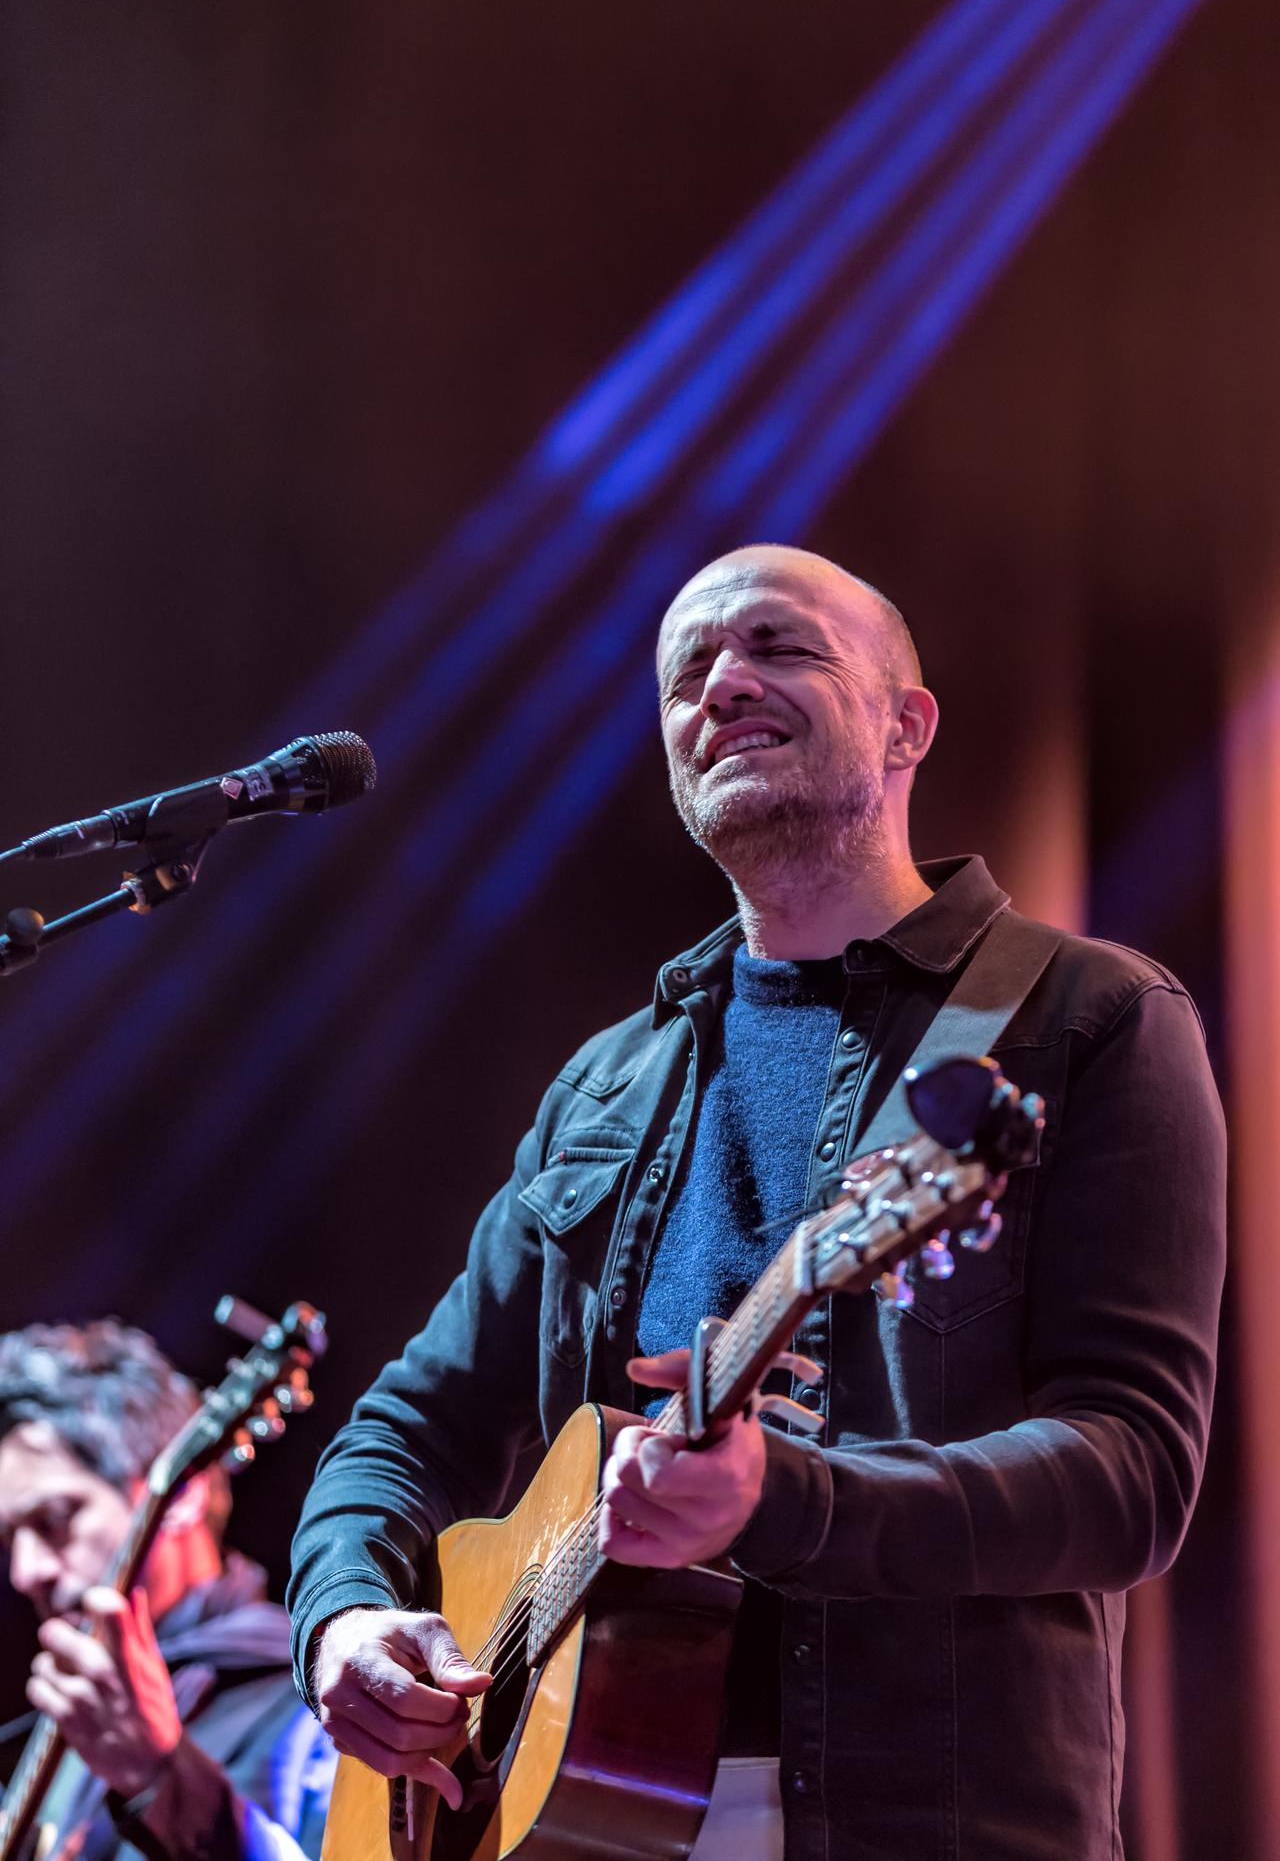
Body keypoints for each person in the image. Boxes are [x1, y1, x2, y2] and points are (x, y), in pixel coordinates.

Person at [288, 544, 1227, 1859]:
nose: (721, 686)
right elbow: (409, 1422)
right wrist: (342, 1616)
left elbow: (1132, 1475)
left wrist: (783, 1501)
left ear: (907, 726)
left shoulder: (1080, 1019)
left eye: (777, 647)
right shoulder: (610, 1082)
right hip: (562, 1816)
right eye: (686, 673)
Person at [0, 1319, 334, 1861]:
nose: (25, 1571)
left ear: (181, 1495)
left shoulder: (317, 1699)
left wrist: (161, 1772)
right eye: (10, 1539)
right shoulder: (71, 1745)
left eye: (56, 1519)